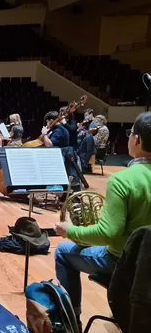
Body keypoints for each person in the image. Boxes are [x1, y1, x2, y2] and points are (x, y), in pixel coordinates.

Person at [54, 112, 151, 322]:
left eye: (131, 133)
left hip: (123, 261)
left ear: (137, 140)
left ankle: (72, 322)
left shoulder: (124, 180)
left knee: (62, 252)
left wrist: (69, 230)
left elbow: (107, 234)